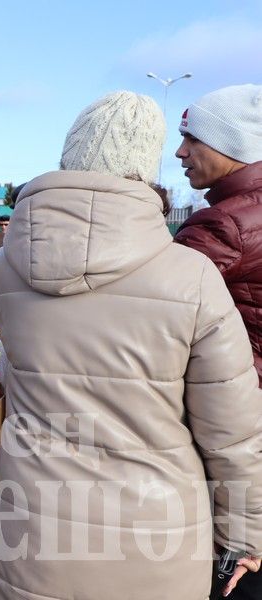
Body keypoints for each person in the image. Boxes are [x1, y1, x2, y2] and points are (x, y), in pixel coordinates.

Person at [0, 91, 262, 600]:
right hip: (156, 542)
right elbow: (232, 433)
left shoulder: (5, 269)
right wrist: (242, 535)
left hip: (27, 526)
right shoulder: (191, 277)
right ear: (143, 167)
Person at [172, 84, 262, 598]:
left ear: (233, 145)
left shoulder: (226, 224)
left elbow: (144, 298)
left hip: (238, 413)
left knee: (232, 567)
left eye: (192, 138)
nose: (180, 152)